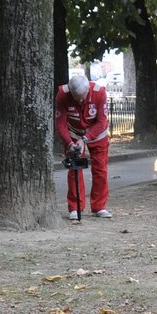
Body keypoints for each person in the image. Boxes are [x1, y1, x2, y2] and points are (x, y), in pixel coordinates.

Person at [54, 73, 111, 219]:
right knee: (74, 169)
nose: (80, 100)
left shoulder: (99, 92)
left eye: (83, 96)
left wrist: (85, 139)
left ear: (88, 90)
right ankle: (75, 207)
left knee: (100, 169)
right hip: (74, 134)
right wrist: (69, 143)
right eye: (76, 97)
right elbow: (60, 123)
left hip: (98, 135)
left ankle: (99, 207)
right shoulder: (62, 94)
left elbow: (101, 121)